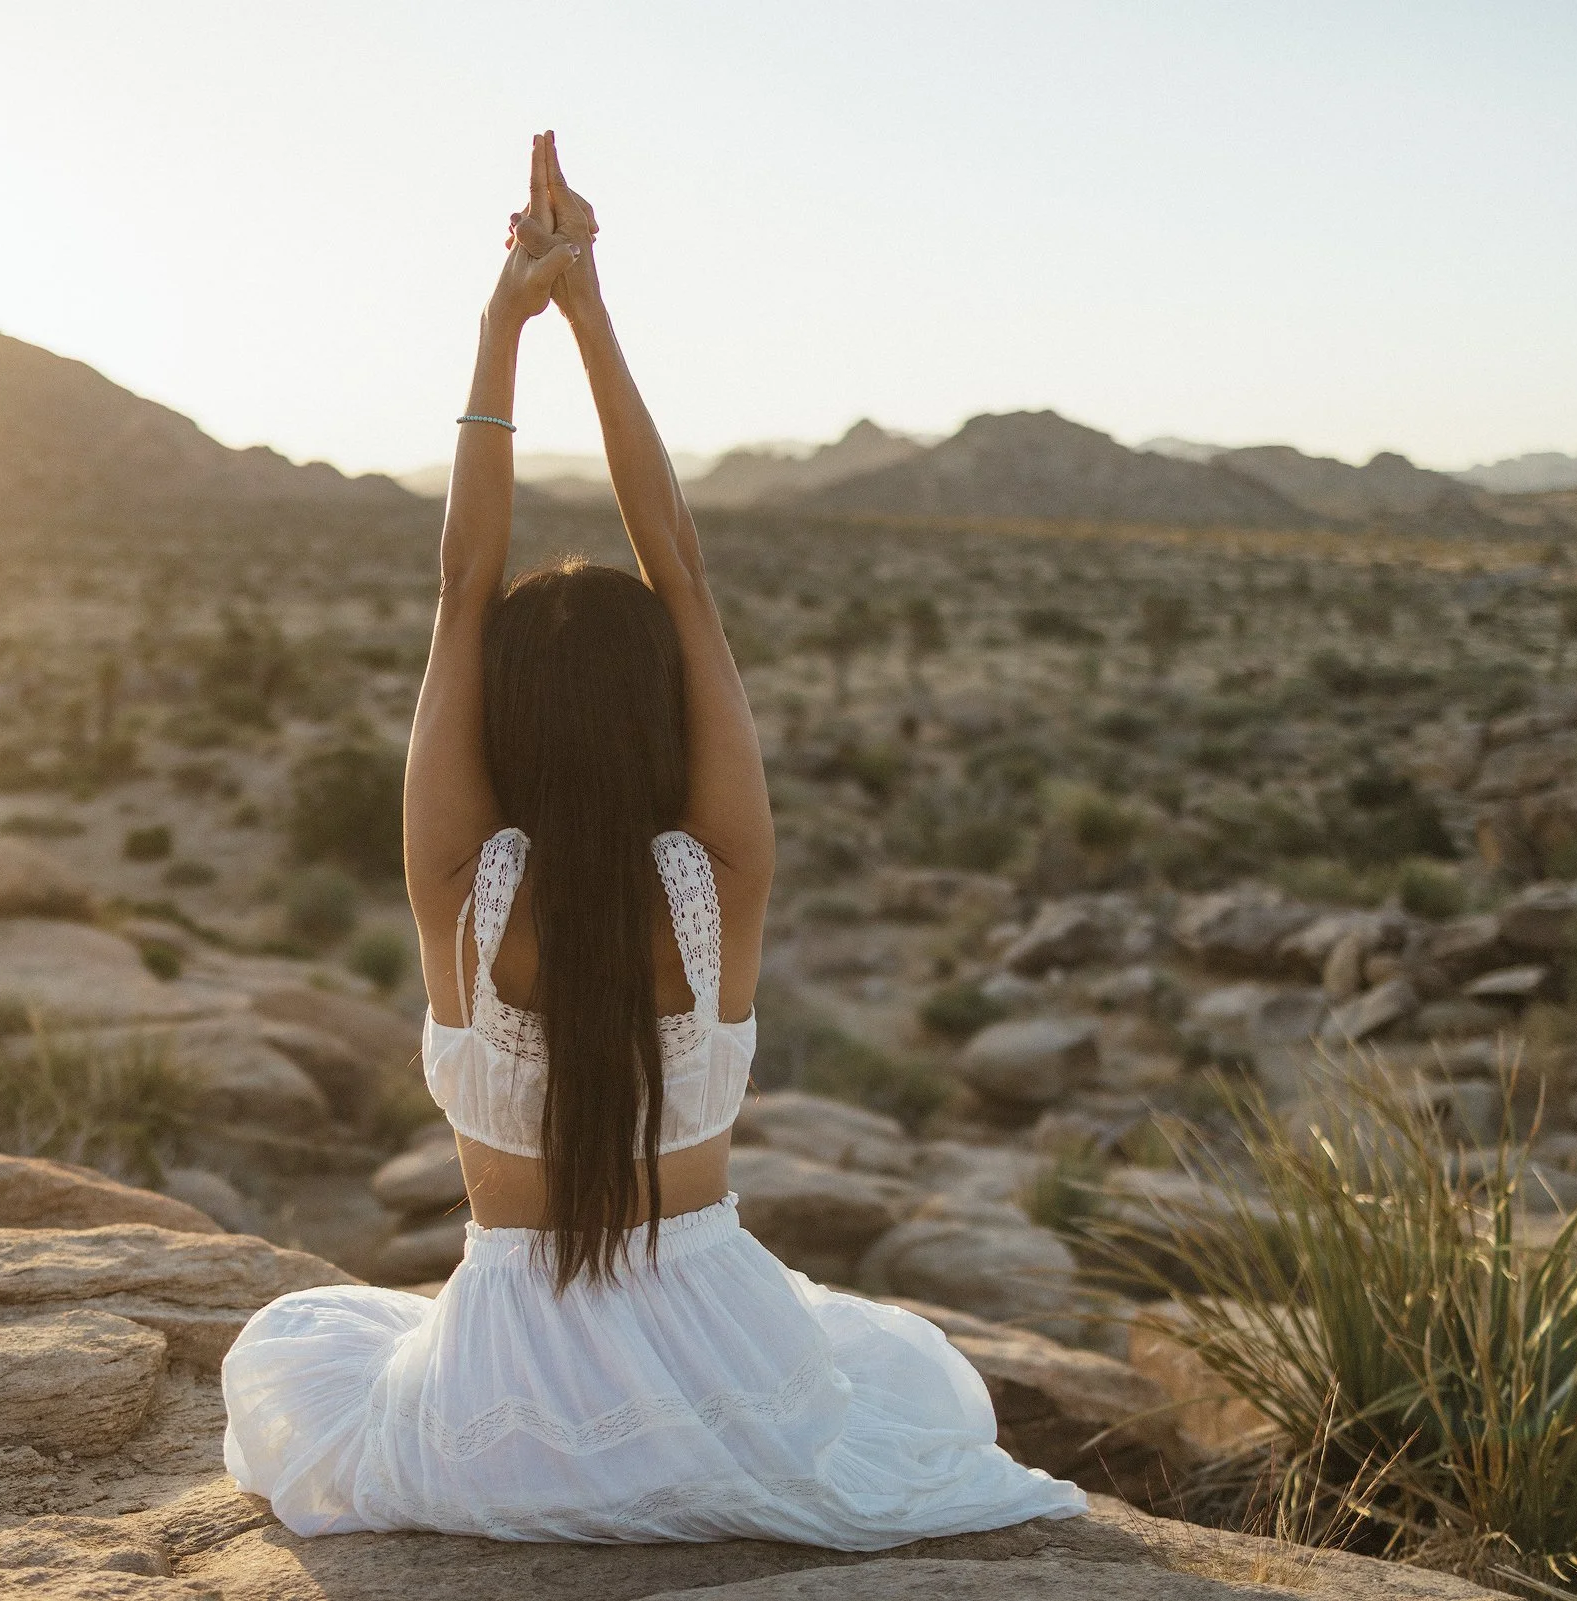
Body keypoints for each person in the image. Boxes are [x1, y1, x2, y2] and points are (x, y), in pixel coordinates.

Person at [221, 131, 1087, 1547]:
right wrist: (589, 308)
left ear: (504, 720)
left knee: (289, 1352)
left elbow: (461, 584)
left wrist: (503, 322)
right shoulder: (721, 880)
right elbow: (681, 567)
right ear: (661, 714)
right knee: (904, 1384)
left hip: (500, 1411)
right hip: (737, 1382)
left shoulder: (458, 888)